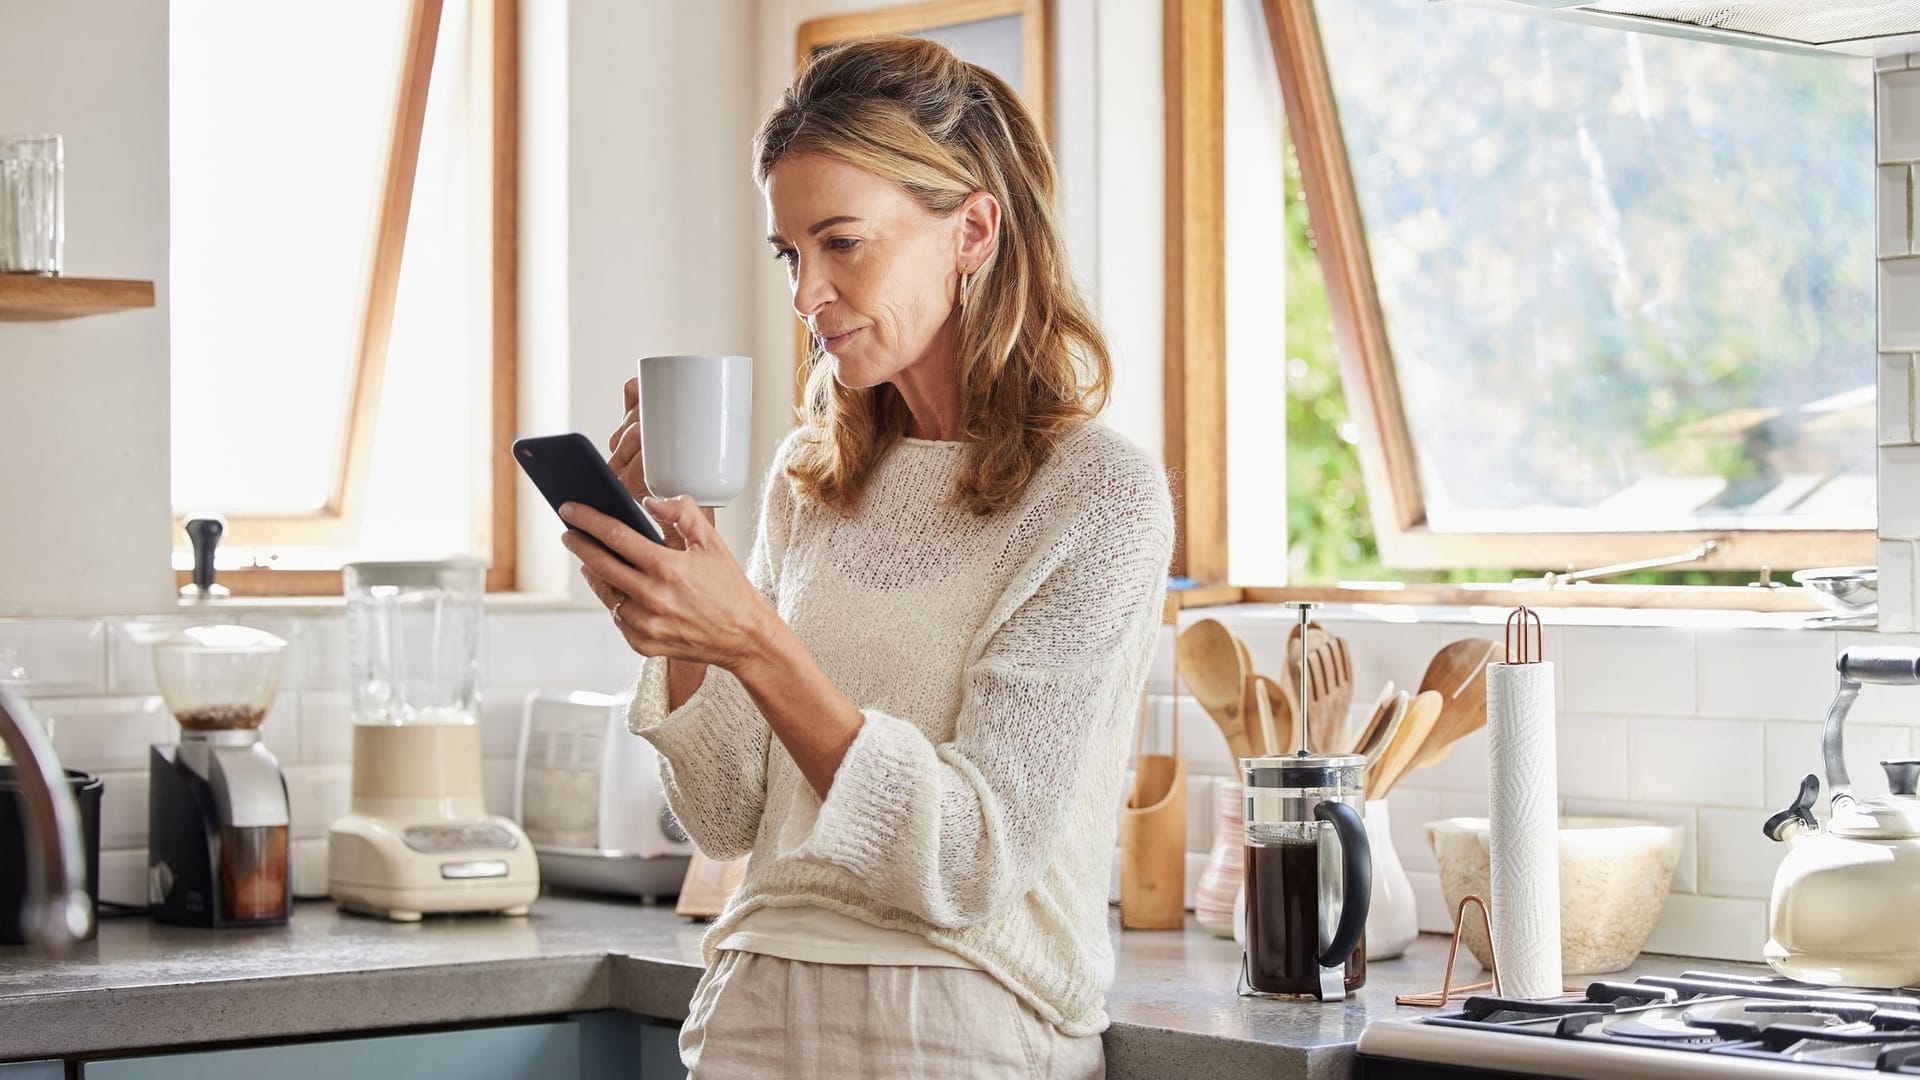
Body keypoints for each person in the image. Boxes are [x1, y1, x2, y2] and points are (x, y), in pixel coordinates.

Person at [557, 35, 1173, 1079]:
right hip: (754, 1009)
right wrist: (675, 625)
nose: (807, 295)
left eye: (843, 242)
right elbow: (727, 817)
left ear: (972, 227)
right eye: (790, 254)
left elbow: (970, 857)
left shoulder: (1097, 496)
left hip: (964, 1028)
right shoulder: (820, 481)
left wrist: (751, 639)